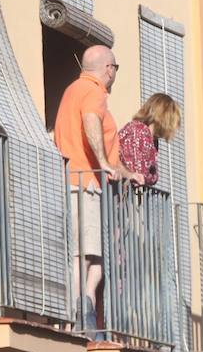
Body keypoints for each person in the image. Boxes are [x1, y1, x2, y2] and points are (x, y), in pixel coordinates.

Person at [52, 45, 144, 326]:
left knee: (88, 255)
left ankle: (82, 310)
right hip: (85, 184)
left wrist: (125, 172)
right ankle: (83, 314)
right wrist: (103, 162)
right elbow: (90, 120)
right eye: (115, 69)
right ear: (108, 69)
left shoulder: (72, 91)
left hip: (73, 180)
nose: (114, 74)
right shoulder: (94, 92)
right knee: (88, 257)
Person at [117, 93, 181, 188]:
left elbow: (148, 176)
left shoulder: (152, 139)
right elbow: (139, 173)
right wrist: (149, 177)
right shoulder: (139, 130)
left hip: (122, 194)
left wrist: (149, 177)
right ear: (164, 119)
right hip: (114, 192)